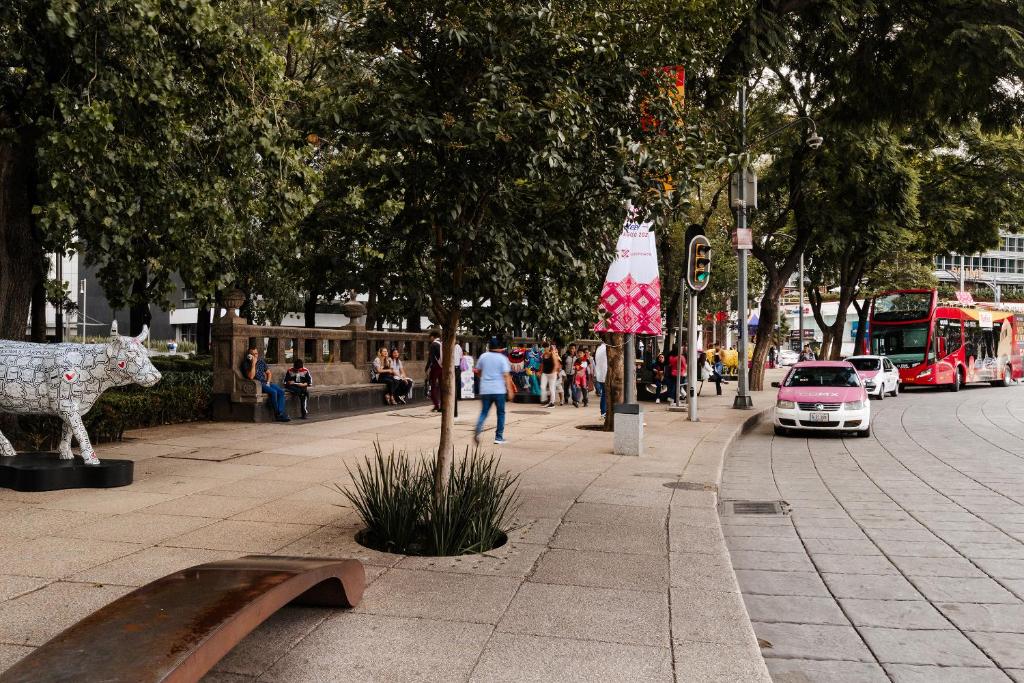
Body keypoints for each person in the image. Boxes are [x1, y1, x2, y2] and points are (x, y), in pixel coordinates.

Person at [474, 338, 515, 445]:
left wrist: (484, 376)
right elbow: (506, 375)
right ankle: (498, 437)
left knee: (484, 412)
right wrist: (510, 390)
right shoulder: (502, 359)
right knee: (501, 413)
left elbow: (478, 372)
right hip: (499, 390)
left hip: (485, 389)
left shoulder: (483, 356)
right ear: (500, 348)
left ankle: (478, 429)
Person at [242, 345, 290, 422]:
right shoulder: (246, 363)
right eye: (253, 354)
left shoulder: (261, 361)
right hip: (257, 384)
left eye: (256, 353)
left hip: (265, 382)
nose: (255, 355)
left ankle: (280, 412)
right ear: (249, 355)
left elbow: (269, 373)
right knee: (273, 392)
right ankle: (278, 415)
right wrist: (253, 364)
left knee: (281, 391)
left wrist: (268, 382)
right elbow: (251, 377)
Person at [540, 342, 561, 408]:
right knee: (542, 387)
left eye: (546, 347)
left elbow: (556, 364)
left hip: (552, 373)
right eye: (543, 347)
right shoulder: (543, 355)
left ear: (548, 348)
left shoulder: (552, 354)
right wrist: (540, 371)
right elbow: (542, 364)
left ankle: (552, 403)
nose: (545, 349)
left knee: (551, 388)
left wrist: (553, 372)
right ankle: (545, 401)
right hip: (545, 373)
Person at [426, 331, 443, 411]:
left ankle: (436, 405)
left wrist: (427, 368)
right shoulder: (442, 343)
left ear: (433, 336)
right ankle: (443, 404)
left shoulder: (433, 344)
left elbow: (431, 358)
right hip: (443, 367)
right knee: (442, 386)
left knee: (432, 385)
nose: (430, 339)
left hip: (435, 367)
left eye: (430, 337)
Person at [594, 339, 608, 418]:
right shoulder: (607, 347)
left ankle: (603, 412)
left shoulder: (599, 348)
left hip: (600, 374)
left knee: (604, 394)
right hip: (605, 374)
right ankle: (604, 412)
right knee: (605, 394)